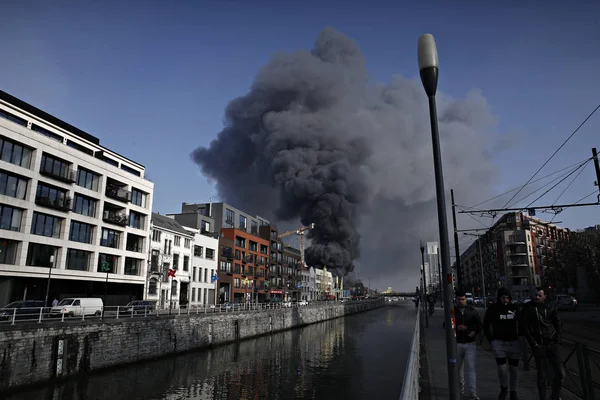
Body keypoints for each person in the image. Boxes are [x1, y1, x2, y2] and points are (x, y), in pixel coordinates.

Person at [522, 287, 564, 400]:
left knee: (560, 373)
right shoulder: (528, 308)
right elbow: (525, 328)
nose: (537, 297)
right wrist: (534, 344)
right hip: (538, 345)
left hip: (552, 344)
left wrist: (557, 341)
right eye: (535, 295)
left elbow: (558, 324)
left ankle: (554, 396)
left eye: (539, 295)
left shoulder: (551, 306)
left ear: (545, 296)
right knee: (542, 375)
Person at [483, 287, 521, 400]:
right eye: (503, 298)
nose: (505, 300)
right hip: (499, 343)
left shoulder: (514, 308)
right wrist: (491, 340)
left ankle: (513, 391)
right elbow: (486, 325)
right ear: (499, 298)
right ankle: (504, 388)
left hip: (513, 342)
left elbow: (522, 323)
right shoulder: (493, 309)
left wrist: (521, 338)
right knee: (502, 368)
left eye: (507, 298)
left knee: (514, 369)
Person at [454, 290, 482, 400]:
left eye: (463, 299)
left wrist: (474, 332)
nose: (461, 301)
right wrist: (457, 327)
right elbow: (446, 325)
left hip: (470, 344)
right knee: (458, 369)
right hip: (457, 344)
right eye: (459, 299)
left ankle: (472, 393)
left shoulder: (472, 311)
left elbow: (480, 325)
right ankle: (460, 391)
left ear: (466, 299)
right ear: (455, 300)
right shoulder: (452, 311)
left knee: (471, 369)